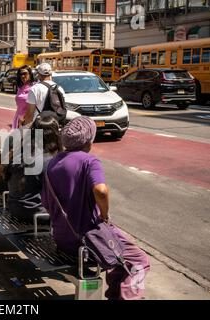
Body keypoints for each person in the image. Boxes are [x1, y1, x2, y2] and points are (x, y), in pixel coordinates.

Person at [41, 116, 150, 300]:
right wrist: (104, 215)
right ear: (89, 139)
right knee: (139, 261)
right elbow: (101, 191)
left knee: (118, 259)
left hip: (62, 239)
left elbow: (45, 203)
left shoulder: (51, 163)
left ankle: (118, 294)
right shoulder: (89, 161)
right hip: (87, 241)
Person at [0, 111, 63, 223]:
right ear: (54, 135)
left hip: (15, 208)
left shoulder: (19, 153)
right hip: (38, 214)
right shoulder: (49, 160)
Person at [21, 62, 65, 127]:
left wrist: (25, 127)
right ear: (51, 74)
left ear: (38, 74)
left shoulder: (35, 89)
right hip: (54, 126)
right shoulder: (59, 88)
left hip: (39, 125)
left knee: (38, 137)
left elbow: (30, 113)